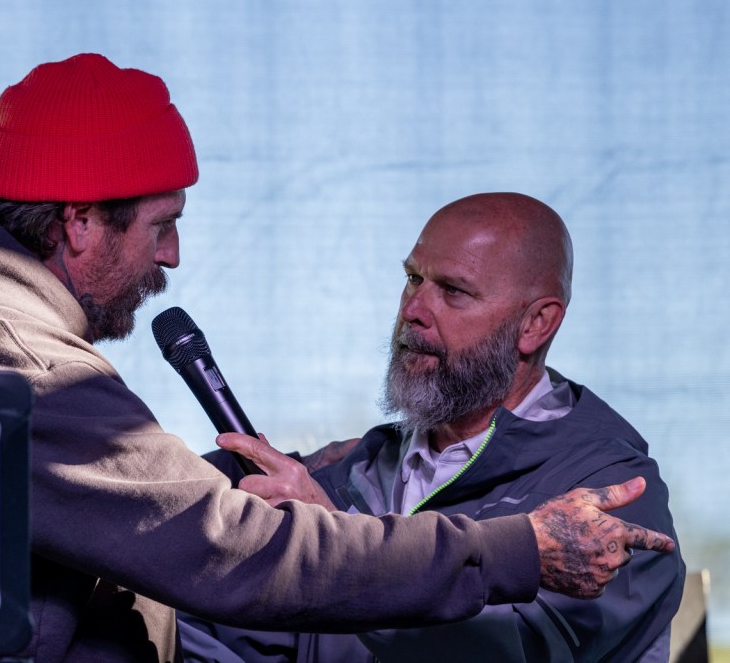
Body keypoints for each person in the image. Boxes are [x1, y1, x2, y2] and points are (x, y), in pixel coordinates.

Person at [0, 55, 674, 663]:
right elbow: (224, 557)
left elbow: (120, 514)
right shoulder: (13, 360)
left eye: (453, 290)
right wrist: (514, 550)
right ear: (78, 222)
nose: (174, 255)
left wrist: (261, 502)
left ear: (538, 322)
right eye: (162, 225)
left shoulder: (609, 483)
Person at [192, 193, 685, 662]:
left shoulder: (610, 496)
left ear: (535, 323)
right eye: (413, 279)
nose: (413, 311)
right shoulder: (351, 473)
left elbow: (514, 652)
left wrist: (336, 550)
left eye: (453, 290)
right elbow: (235, 629)